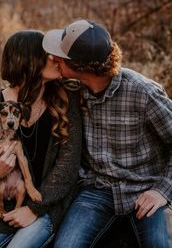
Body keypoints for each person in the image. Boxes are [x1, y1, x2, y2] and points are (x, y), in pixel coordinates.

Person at [42, 19, 172, 248]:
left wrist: (162, 191)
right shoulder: (74, 90)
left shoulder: (143, 93)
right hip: (97, 190)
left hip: (145, 188)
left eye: (60, 56)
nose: (54, 59)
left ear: (80, 67)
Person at [0, 30, 82, 248]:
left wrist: (34, 209)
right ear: (29, 62)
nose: (56, 59)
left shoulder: (66, 97)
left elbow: (68, 165)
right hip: (7, 207)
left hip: (49, 205)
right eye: (48, 54)